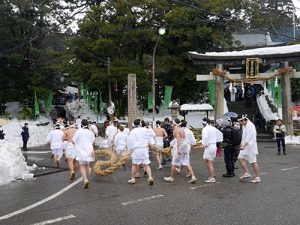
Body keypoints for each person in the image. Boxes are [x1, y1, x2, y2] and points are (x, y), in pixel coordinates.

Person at [164, 118, 197, 183]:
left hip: (180, 146)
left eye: (173, 123)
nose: (172, 124)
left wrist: (178, 149)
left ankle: (171, 177)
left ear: (174, 124)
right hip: (185, 146)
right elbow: (184, 139)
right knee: (187, 162)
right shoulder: (182, 129)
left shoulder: (176, 130)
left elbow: (178, 140)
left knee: (173, 163)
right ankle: (193, 176)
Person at [127, 119, 155, 185]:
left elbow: (129, 141)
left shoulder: (132, 131)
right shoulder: (145, 130)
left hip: (136, 150)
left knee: (134, 164)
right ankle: (150, 177)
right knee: (146, 164)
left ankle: (133, 178)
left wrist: (130, 149)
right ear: (141, 124)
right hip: (144, 149)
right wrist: (149, 128)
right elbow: (153, 134)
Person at [237, 115, 261, 183]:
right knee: (240, 158)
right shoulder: (244, 125)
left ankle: (257, 177)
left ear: (244, 120)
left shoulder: (251, 126)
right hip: (245, 146)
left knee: (253, 162)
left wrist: (244, 145)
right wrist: (241, 143)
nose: (240, 123)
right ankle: (247, 173)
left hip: (251, 146)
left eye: (240, 122)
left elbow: (250, 138)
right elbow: (244, 136)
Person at [73, 119, 95, 188]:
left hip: (80, 150)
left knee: (82, 166)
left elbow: (74, 141)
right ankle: (86, 178)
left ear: (81, 124)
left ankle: (85, 179)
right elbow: (93, 142)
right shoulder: (90, 132)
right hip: (89, 150)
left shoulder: (78, 132)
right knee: (87, 165)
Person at [201, 118, 217, 183]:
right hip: (213, 145)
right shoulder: (213, 128)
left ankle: (212, 177)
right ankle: (212, 173)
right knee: (206, 160)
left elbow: (205, 137)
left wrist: (204, 144)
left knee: (209, 162)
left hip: (209, 146)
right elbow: (219, 136)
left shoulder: (205, 129)